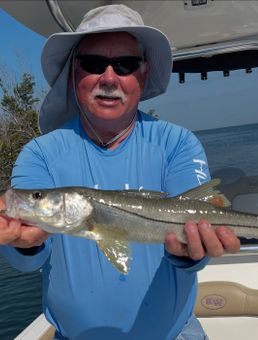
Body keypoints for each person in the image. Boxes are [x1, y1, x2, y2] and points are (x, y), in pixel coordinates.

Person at [0, 5, 240, 339]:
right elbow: (26, 260)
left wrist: (190, 252)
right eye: (93, 63)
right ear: (73, 73)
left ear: (143, 75)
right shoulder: (40, 153)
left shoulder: (176, 143)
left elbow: (195, 249)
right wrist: (24, 244)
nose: (109, 78)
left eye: (126, 65)